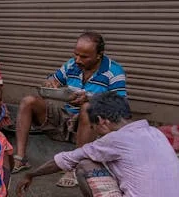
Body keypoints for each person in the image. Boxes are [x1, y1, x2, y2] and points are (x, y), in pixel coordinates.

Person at [16, 92, 179, 197]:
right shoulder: (155, 132)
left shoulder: (116, 139)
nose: (95, 133)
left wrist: (30, 175)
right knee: (114, 165)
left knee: (85, 165)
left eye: (93, 127)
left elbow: (67, 159)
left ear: (102, 121)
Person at [12, 32, 127, 188]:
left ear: (99, 55)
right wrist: (49, 83)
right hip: (67, 118)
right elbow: (53, 79)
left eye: (84, 57)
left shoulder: (113, 72)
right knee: (28, 101)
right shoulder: (72, 65)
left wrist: (90, 99)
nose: (78, 60)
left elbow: (120, 105)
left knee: (87, 108)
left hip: (93, 127)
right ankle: (20, 158)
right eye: (76, 55)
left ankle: (75, 166)